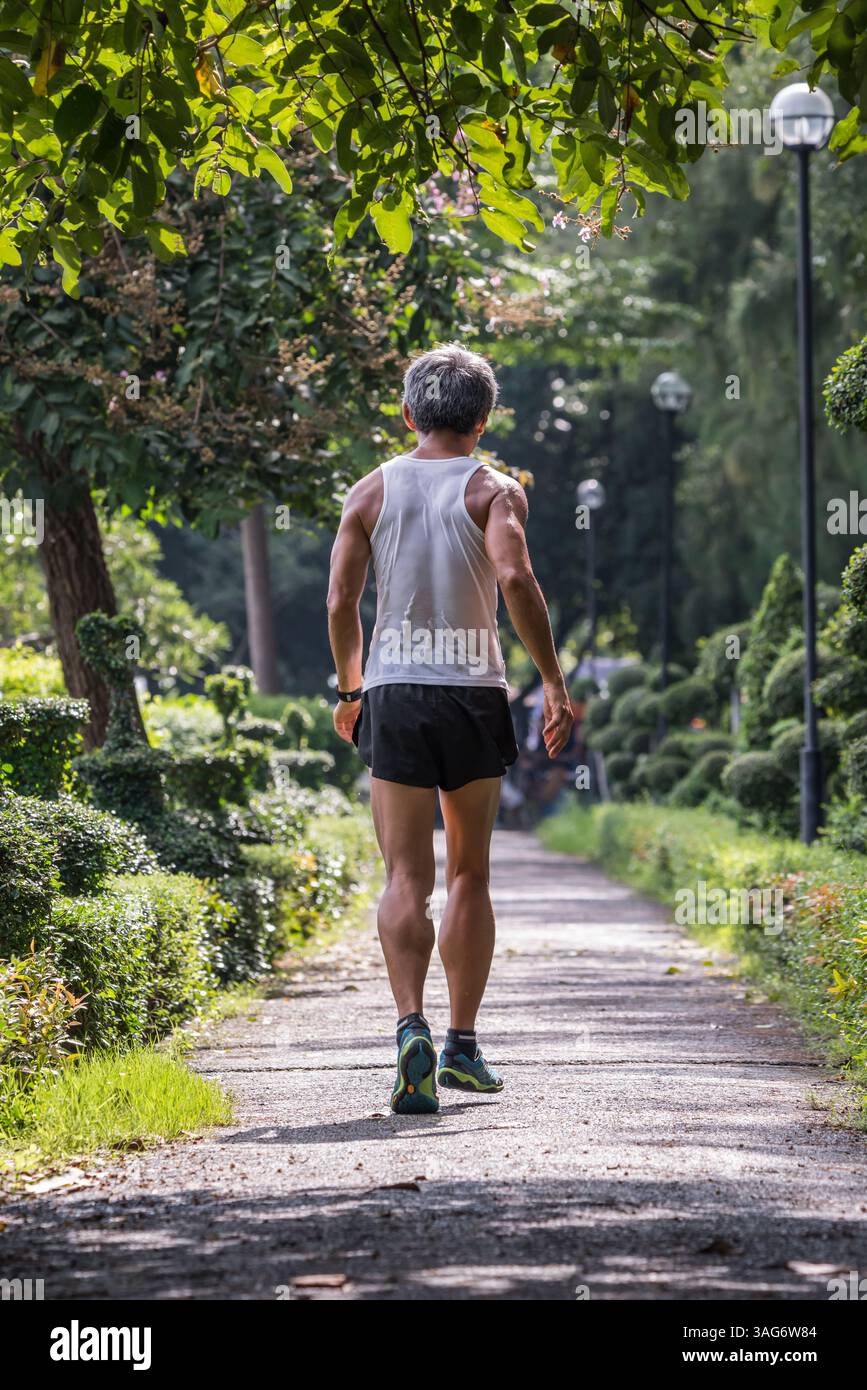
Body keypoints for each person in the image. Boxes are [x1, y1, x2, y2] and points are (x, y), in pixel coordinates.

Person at [326, 343, 572, 1114]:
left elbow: (339, 602)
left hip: (392, 693)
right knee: (468, 873)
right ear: (484, 417)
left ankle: (411, 1029)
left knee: (405, 876)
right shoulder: (494, 491)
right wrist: (555, 684)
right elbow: (515, 578)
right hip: (471, 692)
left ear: (407, 414)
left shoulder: (370, 490)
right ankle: (463, 1045)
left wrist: (349, 688)